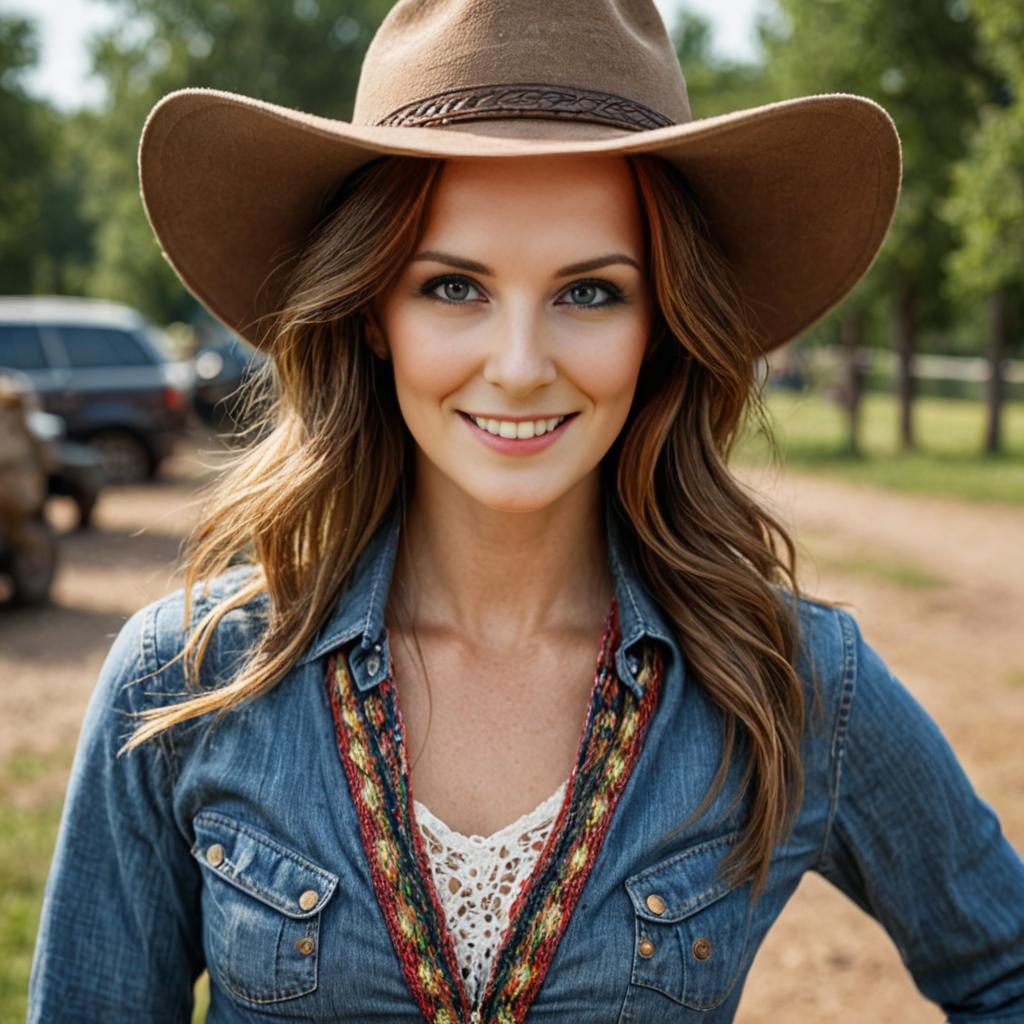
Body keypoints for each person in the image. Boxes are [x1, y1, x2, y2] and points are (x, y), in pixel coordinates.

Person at [28, 1, 1024, 1021]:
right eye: (453, 287)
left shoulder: (795, 682)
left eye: (589, 293)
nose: (517, 366)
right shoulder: (188, 677)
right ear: (373, 314)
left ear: (661, 325)